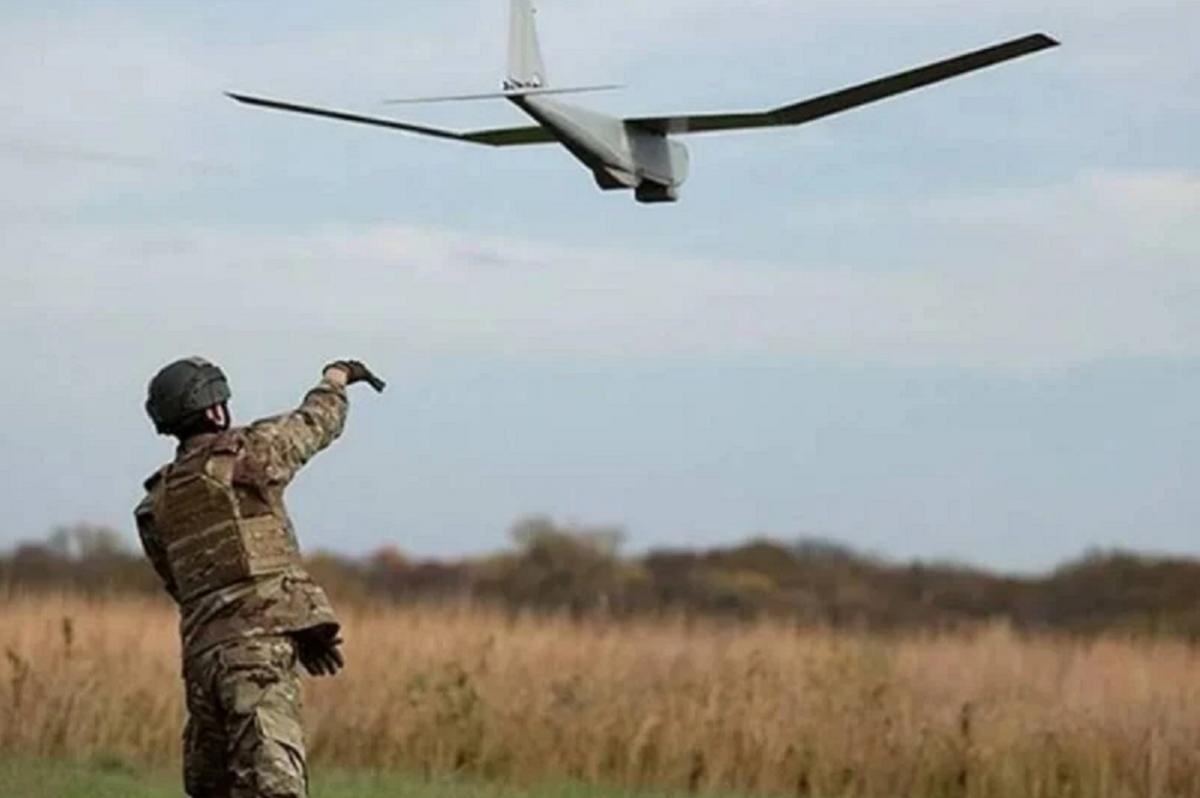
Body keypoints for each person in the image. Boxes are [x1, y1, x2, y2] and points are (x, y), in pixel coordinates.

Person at [135, 357, 384, 798]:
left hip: (202, 662)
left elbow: (187, 586)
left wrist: (294, 623)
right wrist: (336, 378)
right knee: (274, 786)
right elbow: (315, 424)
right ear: (215, 410)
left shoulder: (157, 503)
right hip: (257, 658)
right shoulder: (247, 454)